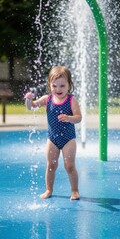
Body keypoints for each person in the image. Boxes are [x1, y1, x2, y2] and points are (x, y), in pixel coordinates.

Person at [24, 65, 82, 200]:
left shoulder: (71, 100)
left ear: (69, 85)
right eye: (54, 86)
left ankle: (74, 190)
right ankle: (49, 189)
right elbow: (31, 107)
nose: (58, 89)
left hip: (68, 139)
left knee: (70, 166)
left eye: (62, 86)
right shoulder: (47, 99)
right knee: (51, 165)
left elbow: (79, 118)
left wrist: (69, 118)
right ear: (50, 85)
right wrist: (28, 100)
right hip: (52, 139)